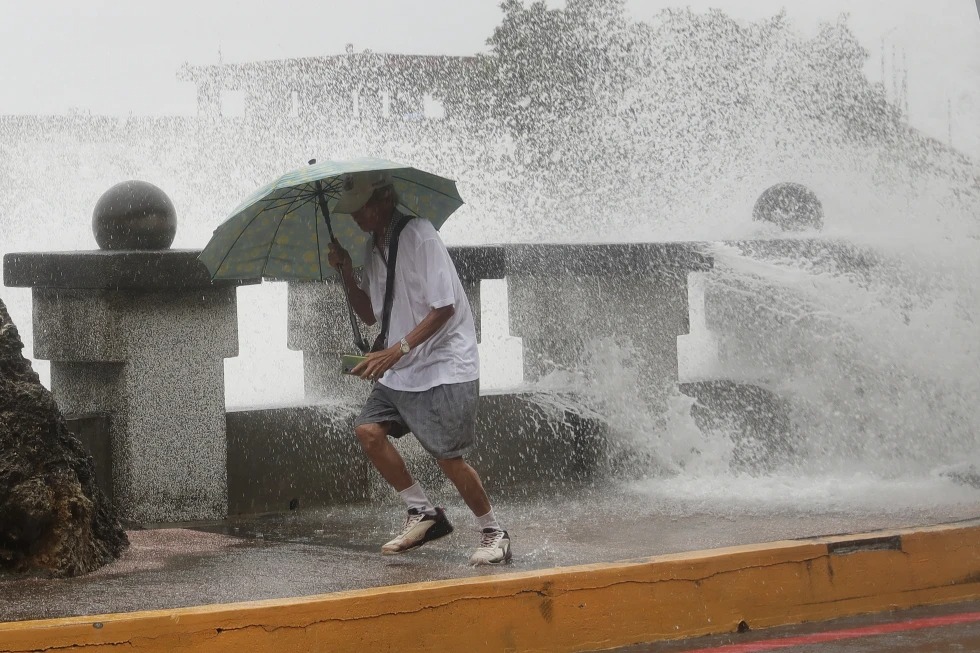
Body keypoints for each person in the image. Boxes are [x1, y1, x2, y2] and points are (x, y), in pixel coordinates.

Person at [326, 169, 511, 566]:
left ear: (384, 200)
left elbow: (444, 307)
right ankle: (424, 512)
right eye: (352, 210)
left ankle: (494, 531)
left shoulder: (420, 235)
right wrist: (344, 270)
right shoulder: (371, 249)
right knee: (368, 432)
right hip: (404, 367)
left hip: (445, 363)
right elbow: (371, 315)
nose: (356, 216)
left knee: (447, 456)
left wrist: (397, 350)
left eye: (362, 207)